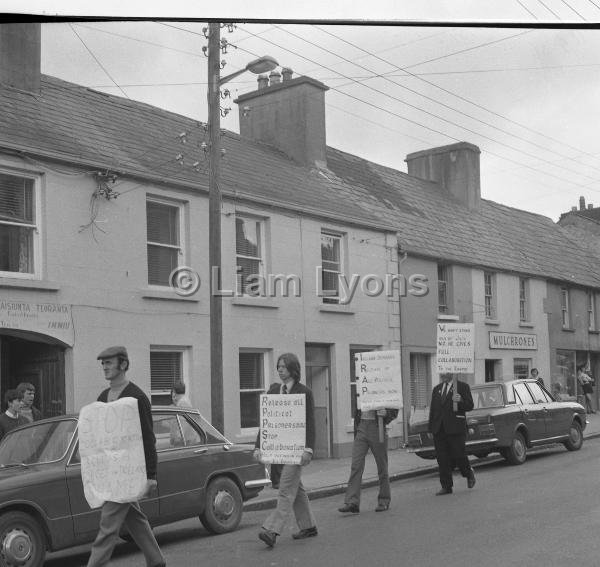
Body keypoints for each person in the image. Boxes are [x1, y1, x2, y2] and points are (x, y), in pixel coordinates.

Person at [87, 346, 166, 567]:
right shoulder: (102, 397)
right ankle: (157, 560)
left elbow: (148, 439)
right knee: (134, 518)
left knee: (108, 524)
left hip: (130, 472)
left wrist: (151, 475)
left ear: (123, 364)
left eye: (109, 363)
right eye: (103, 363)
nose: (105, 367)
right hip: (111, 473)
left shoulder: (137, 396)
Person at [255, 353, 317, 548]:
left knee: (285, 488)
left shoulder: (304, 392)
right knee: (295, 488)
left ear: (293, 368)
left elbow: (310, 423)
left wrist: (309, 449)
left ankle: (272, 531)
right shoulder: (273, 392)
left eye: (283, 366)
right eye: (278, 367)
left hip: (297, 450)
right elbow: (266, 422)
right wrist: (258, 446)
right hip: (280, 449)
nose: (280, 370)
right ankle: (308, 526)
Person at [338, 402, 398, 514]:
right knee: (356, 465)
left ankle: (384, 500)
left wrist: (386, 413)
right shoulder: (361, 384)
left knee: (382, 466)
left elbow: (394, 405)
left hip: (377, 426)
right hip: (361, 426)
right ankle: (352, 502)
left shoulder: (384, 386)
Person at [428, 373, 476, 495]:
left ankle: (468, 473)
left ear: (452, 372)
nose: (442, 374)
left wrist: (460, 400)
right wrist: (430, 428)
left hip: (456, 427)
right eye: (441, 372)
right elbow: (433, 410)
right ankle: (446, 486)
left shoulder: (462, 387)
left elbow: (470, 406)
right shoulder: (437, 389)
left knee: (459, 455)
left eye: (445, 372)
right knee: (442, 458)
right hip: (439, 429)